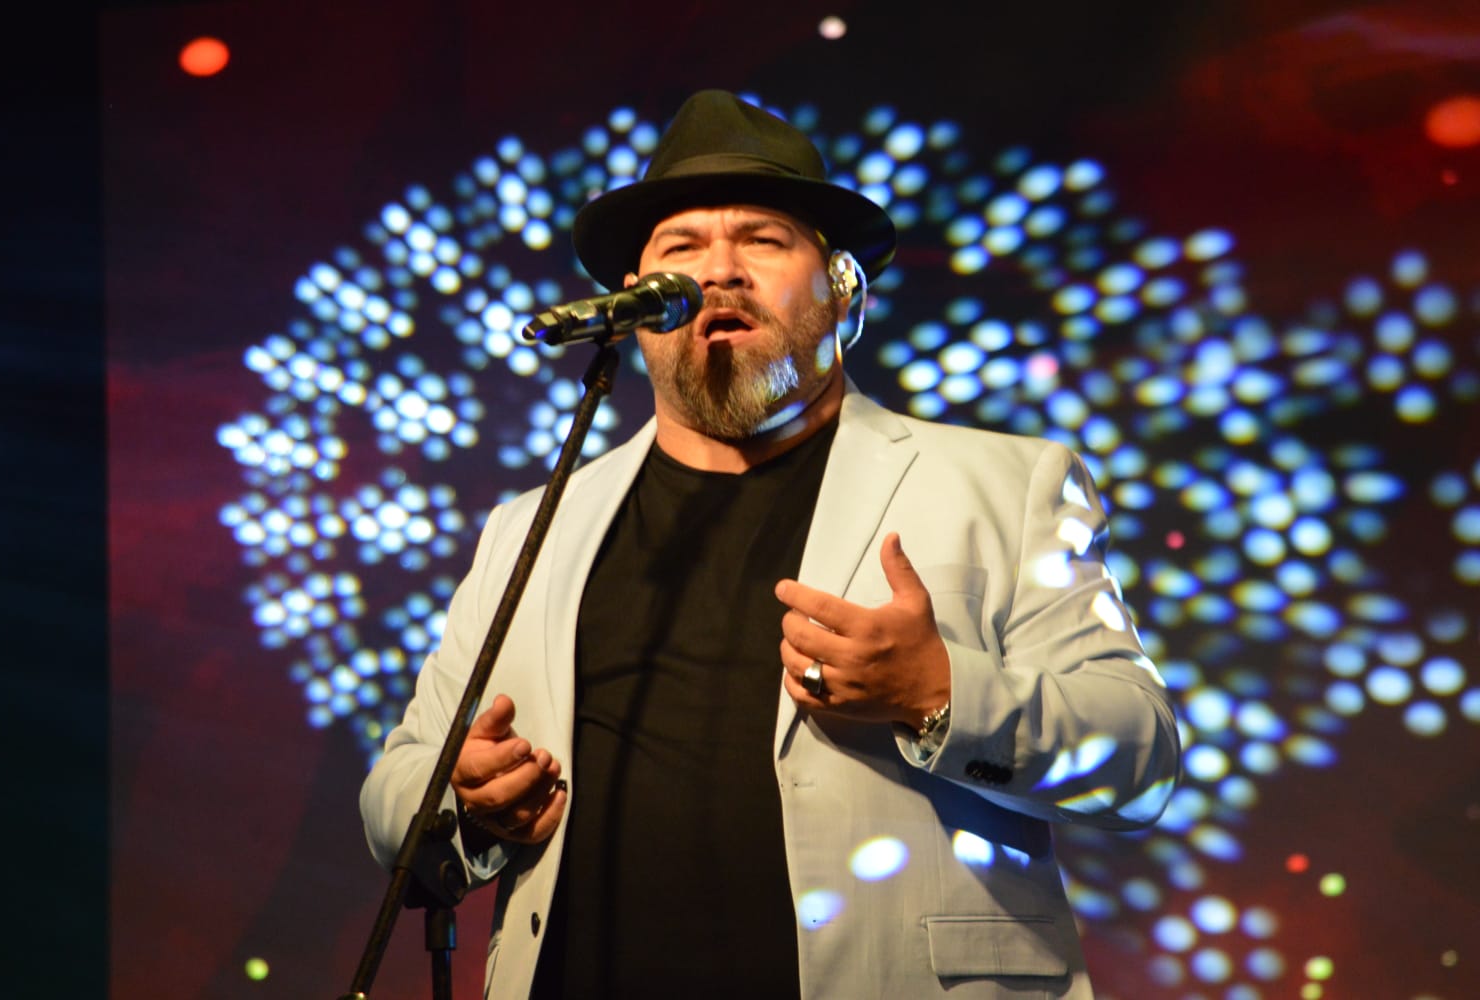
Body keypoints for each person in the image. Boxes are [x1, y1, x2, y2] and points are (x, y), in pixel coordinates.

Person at [360, 89, 1181, 999]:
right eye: (680, 249)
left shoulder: (1005, 483)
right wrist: (467, 800)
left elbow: (1138, 759)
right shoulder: (536, 524)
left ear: (842, 288)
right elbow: (397, 792)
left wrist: (938, 694)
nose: (719, 271)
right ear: (637, 303)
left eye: (762, 239)